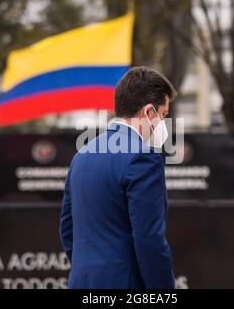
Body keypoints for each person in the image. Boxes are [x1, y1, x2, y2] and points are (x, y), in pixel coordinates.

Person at [60, 66, 176, 289]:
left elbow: (67, 229)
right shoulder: (144, 157)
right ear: (149, 112)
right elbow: (149, 239)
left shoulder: (82, 156)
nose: (163, 123)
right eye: (163, 115)